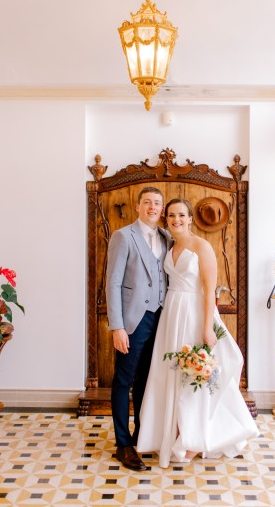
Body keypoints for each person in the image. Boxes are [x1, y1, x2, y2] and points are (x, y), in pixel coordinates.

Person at [137, 198, 259, 468]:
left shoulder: (202, 247)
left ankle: (194, 437)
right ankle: (172, 432)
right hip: (172, 312)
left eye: (181, 215)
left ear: (191, 219)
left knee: (194, 375)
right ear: (165, 219)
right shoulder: (171, 245)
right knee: (171, 373)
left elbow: (209, 290)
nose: (176, 220)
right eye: (171, 215)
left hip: (194, 312)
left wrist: (206, 327)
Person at [106, 186, 171, 471]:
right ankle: (123, 444)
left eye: (157, 203)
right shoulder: (123, 236)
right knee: (124, 379)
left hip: (161, 318)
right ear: (138, 206)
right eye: (147, 202)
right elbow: (113, 283)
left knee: (147, 379)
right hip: (133, 319)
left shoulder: (167, 237)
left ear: (161, 208)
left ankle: (140, 434)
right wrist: (117, 327)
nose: (152, 207)